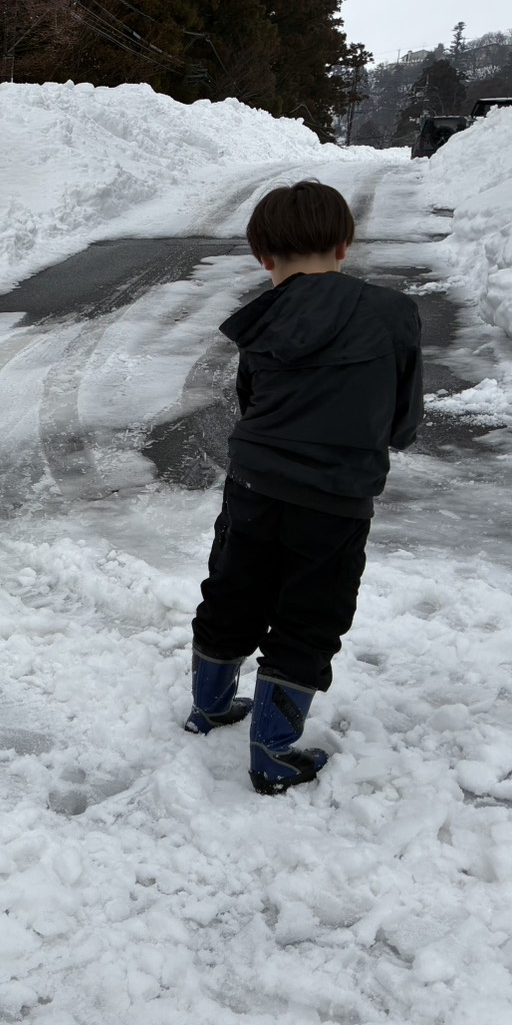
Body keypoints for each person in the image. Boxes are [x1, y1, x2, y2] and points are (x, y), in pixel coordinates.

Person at [184, 180, 423, 795]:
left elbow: (250, 403)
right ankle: (273, 754)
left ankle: (208, 707)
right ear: (345, 246)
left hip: (254, 483)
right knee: (310, 615)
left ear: (263, 258)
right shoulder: (391, 314)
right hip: (337, 497)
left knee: (234, 588)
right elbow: (402, 420)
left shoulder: (264, 317)